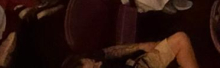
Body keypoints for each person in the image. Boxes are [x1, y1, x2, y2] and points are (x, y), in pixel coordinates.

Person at [62, 32, 200, 68]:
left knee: (180, 39)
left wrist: (140, 46)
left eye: (83, 59)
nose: (89, 60)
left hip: (140, 63)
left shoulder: (94, 57)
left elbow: (110, 51)